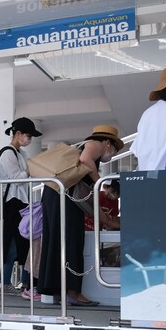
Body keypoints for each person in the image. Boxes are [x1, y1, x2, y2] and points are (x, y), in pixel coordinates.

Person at [40, 125, 124, 307]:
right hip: (64, 197)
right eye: (114, 149)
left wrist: (107, 220)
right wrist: (98, 181)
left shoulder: (83, 148)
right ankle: (73, 292)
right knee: (72, 241)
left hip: (55, 194)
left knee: (57, 241)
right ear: (108, 142)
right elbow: (86, 159)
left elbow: (89, 202)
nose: (112, 154)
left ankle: (58, 290)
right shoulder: (96, 144)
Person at [0, 117, 42, 297]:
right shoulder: (8, 153)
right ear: (17, 134)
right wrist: (31, 171)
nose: (29, 139)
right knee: (12, 244)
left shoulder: (21, 153)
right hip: (11, 203)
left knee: (25, 242)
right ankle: (6, 282)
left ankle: (25, 283)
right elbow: (16, 177)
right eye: (27, 135)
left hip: (22, 202)